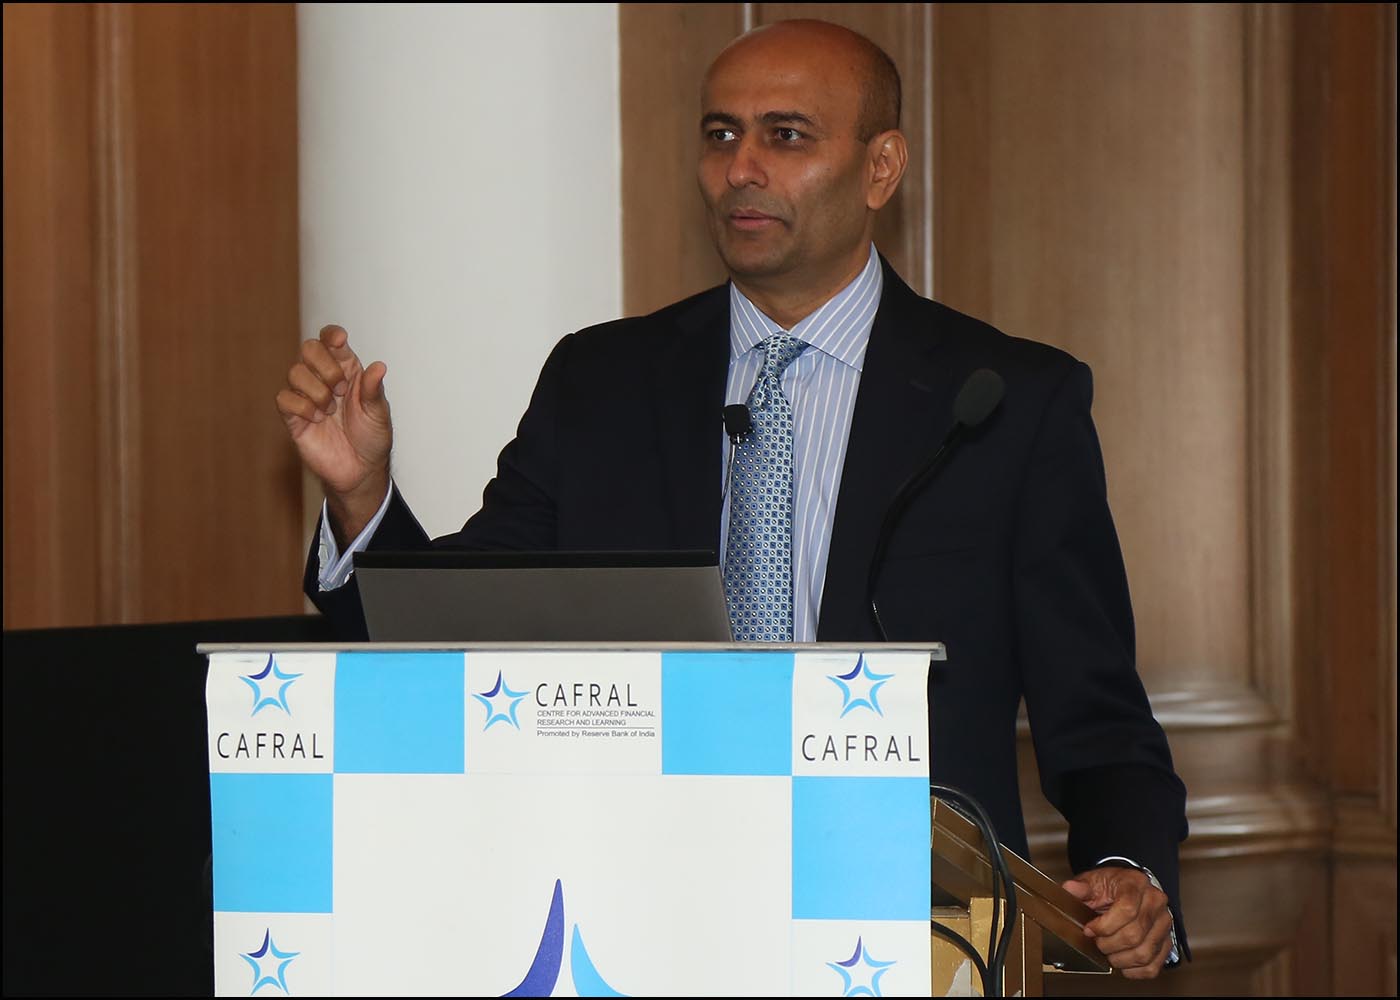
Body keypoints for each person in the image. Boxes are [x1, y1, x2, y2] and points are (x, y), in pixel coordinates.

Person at [276, 18, 1189, 980]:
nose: (740, 169)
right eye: (721, 135)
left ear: (881, 168)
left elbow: (1096, 711)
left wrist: (1129, 869)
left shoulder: (1006, 403)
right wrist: (362, 496)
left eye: (785, 135)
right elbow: (460, 628)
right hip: (636, 930)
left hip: (912, 935)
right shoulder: (602, 382)